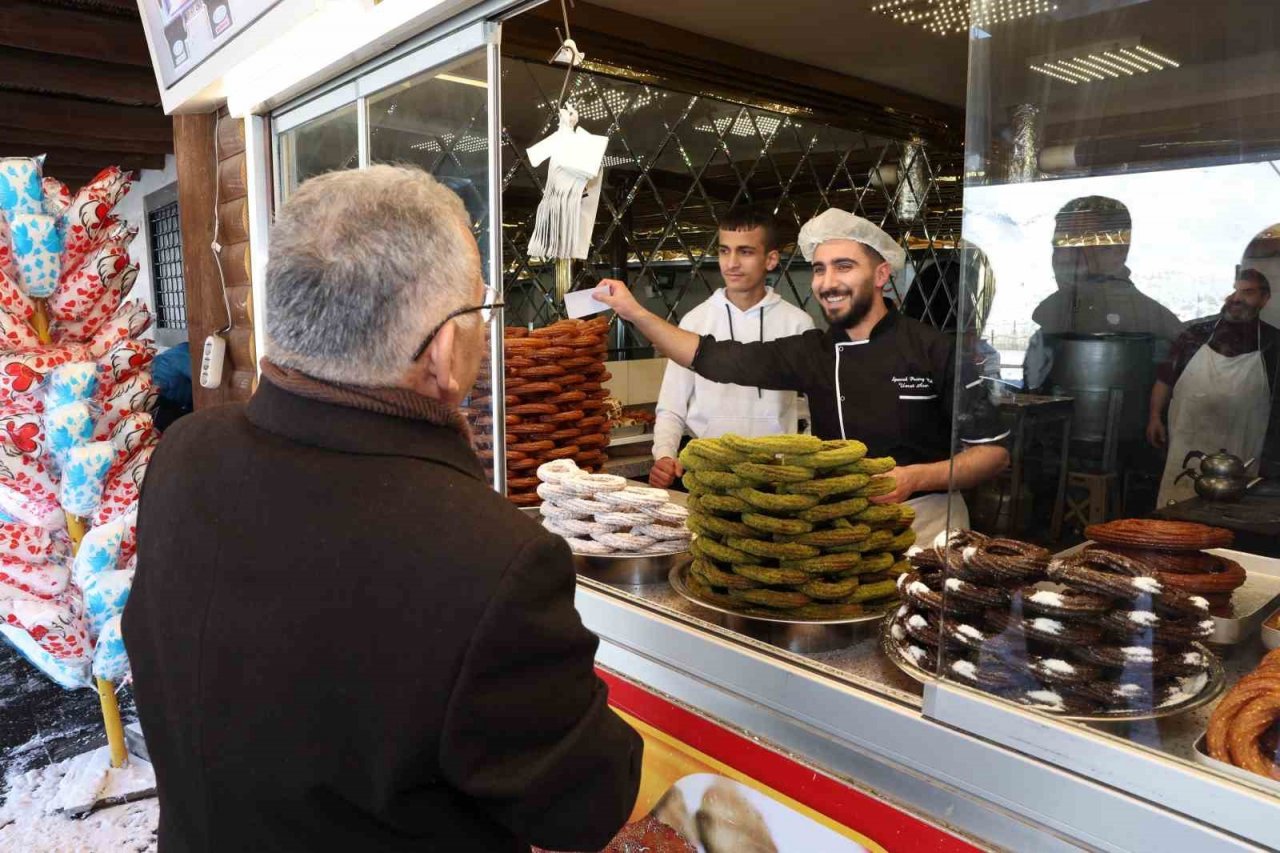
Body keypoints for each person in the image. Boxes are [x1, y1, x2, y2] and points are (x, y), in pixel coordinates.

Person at [123, 165, 641, 853]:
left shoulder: (186, 454)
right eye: (483, 310)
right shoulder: (490, 561)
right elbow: (585, 804)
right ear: (444, 353)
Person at [593, 208, 1010, 544]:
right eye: (820, 269)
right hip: (842, 524)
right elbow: (711, 357)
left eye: (844, 267)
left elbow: (992, 454)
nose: (828, 283)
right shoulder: (813, 351)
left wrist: (914, 477)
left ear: (882, 275)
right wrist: (634, 312)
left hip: (927, 525)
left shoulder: (937, 350)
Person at [650, 207, 814, 489]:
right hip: (709, 473)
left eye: (746, 252)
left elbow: (814, 410)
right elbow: (671, 406)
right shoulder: (695, 321)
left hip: (777, 476)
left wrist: (809, 463)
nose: (732, 263)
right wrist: (664, 455)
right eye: (725, 251)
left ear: (771, 259)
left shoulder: (798, 324)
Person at [1148, 269, 1279, 505]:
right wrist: (1155, 416)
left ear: (1264, 299)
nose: (1236, 298)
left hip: (1242, 444)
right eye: (1233, 291)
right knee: (1178, 503)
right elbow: (1164, 379)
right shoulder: (1194, 335)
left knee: (1231, 510)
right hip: (1189, 438)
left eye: (1247, 292)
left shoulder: (1274, 344)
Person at [1024, 196, 1183, 390]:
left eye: (1080, 246)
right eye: (1058, 247)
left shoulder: (1155, 325)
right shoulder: (1052, 322)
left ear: (1118, 252)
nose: (1063, 259)